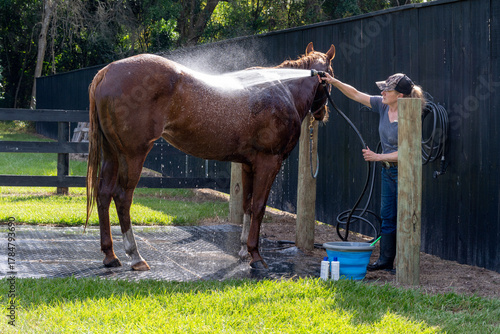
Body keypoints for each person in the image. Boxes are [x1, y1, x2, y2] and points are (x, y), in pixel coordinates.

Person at [320, 72, 425, 271]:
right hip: (388, 173)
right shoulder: (383, 105)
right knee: (387, 217)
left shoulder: (409, 115)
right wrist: (333, 81)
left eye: (388, 90)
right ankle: (385, 261)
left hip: (406, 174)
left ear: (400, 96)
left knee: (405, 218)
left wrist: (378, 157)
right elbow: (356, 94)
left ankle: (406, 264)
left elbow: (409, 153)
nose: (383, 92)